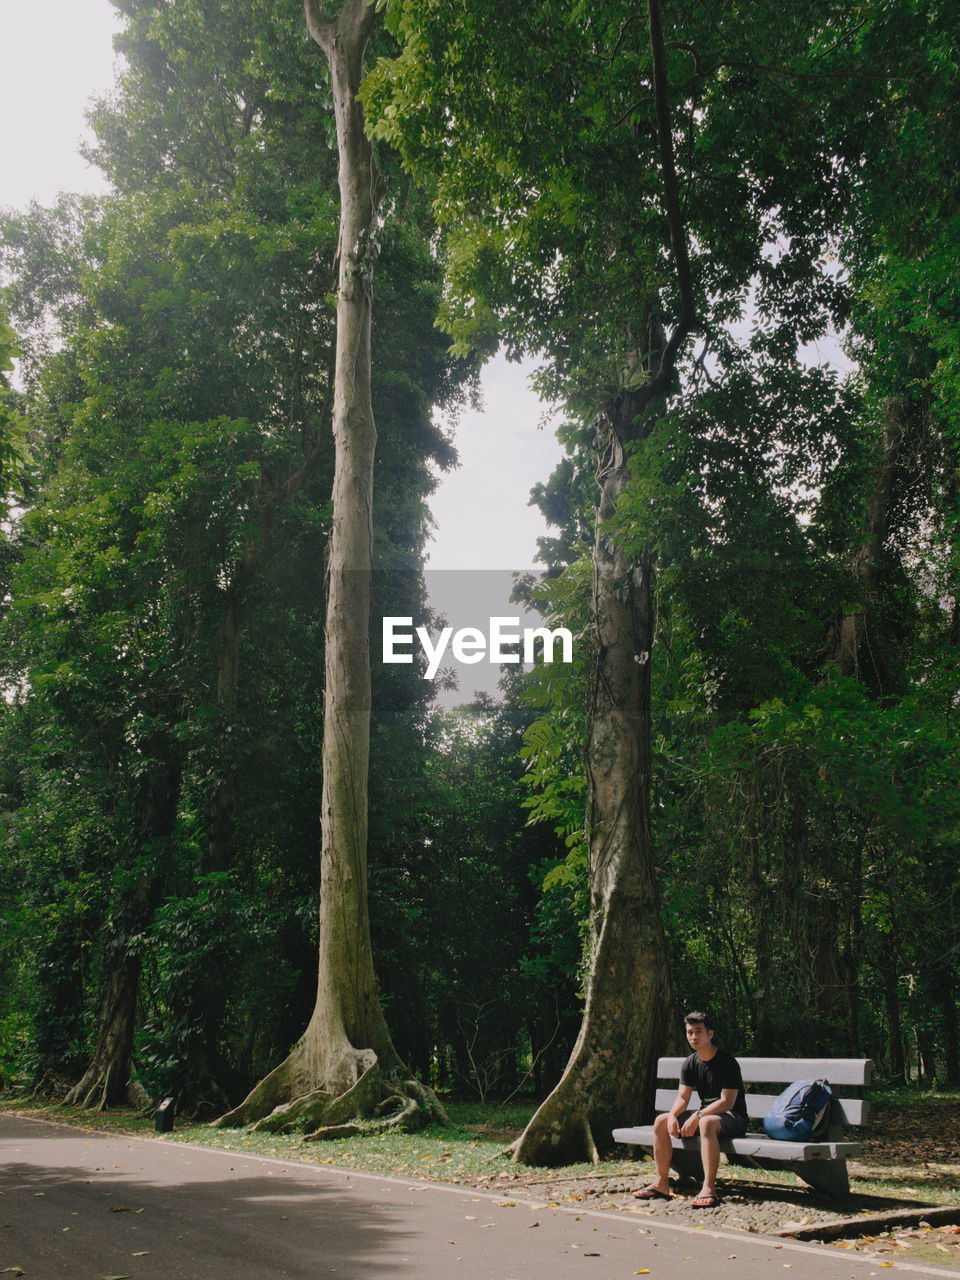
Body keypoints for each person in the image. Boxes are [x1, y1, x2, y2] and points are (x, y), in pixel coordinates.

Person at [633, 1009, 747, 1209]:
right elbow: (683, 1097)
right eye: (690, 1032)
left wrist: (698, 1115)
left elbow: (727, 1102)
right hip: (706, 1115)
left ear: (710, 1034)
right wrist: (673, 1116)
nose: (694, 1037)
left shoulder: (726, 1062)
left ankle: (709, 1188)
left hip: (732, 1117)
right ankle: (661, 1183)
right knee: (661, 1121)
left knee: (706, 1123)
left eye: (699, 1032)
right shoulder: (690, 1063)